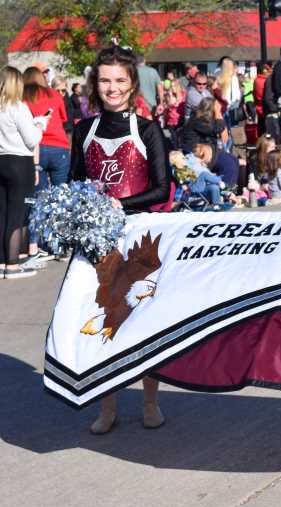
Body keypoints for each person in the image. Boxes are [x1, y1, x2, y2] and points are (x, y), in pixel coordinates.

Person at [68, 46, 171, 434]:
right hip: (96, 245)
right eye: (105, 80)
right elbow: (74, 186)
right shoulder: (83, 130)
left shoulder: (147, 130)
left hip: (140, 242)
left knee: (144, 323)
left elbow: (161, 189)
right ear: (96, 83)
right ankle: (107, 407)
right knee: (99, 322)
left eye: (120, 81)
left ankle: (150, 402)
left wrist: (118, 203)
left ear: (132, 85)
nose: (112, 88)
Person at [0, 66, 47, 280]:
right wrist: (41, 124)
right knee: (17, 215)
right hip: (19, 162)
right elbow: (32, 139)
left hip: (1, 160)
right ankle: (12, 265)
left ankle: (2, 261)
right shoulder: (18, 107)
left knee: (3, 213)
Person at [136, 54, 163, 118]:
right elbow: (160, 89)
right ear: (144, 60)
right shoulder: (153, 71)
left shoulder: (133, 72)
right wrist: (161, 103)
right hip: (152, 105)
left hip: (138, 105)